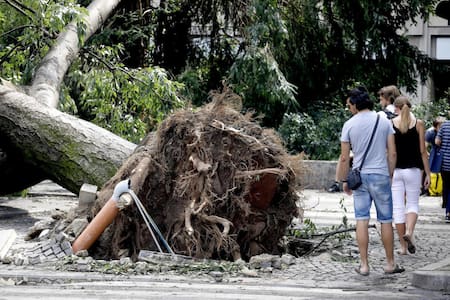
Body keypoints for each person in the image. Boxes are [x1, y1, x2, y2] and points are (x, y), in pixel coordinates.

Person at [337, 88, 403, 275]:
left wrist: (344, 180)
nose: (348, 108)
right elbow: (392, 152)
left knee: (361, 219)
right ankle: (390, 264)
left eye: (349, 105)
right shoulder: (384, 121)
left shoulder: (349, 125)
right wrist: (389, 175)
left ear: (356, 104)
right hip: (381, 175)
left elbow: (344, 158)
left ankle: (364, 265)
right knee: (386, 220)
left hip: (359, 178)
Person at [391, 96, 431, 255]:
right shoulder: (419, 123)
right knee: (413, 204)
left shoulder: (391, 123)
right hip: (414, 171)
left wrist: (390, 173)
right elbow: (423, 151)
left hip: (398, 171)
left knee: (398, 208)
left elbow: (392, 153)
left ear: (397, 107)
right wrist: (428, 173)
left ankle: (402, 247)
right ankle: (409, 231)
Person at [435, 118, 450, 223]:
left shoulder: (444, 126)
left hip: (445, 162)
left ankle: (448, 211)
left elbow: (437, 141)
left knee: (447, 186)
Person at [425, 117, 445, 196]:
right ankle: (431, 189)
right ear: (435, 126)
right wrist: (427, 154)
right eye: (440, 127)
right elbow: (424, 145)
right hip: (435, 151)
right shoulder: (430, 132)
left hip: (444, 151)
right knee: (432, 170)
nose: (442, 128)